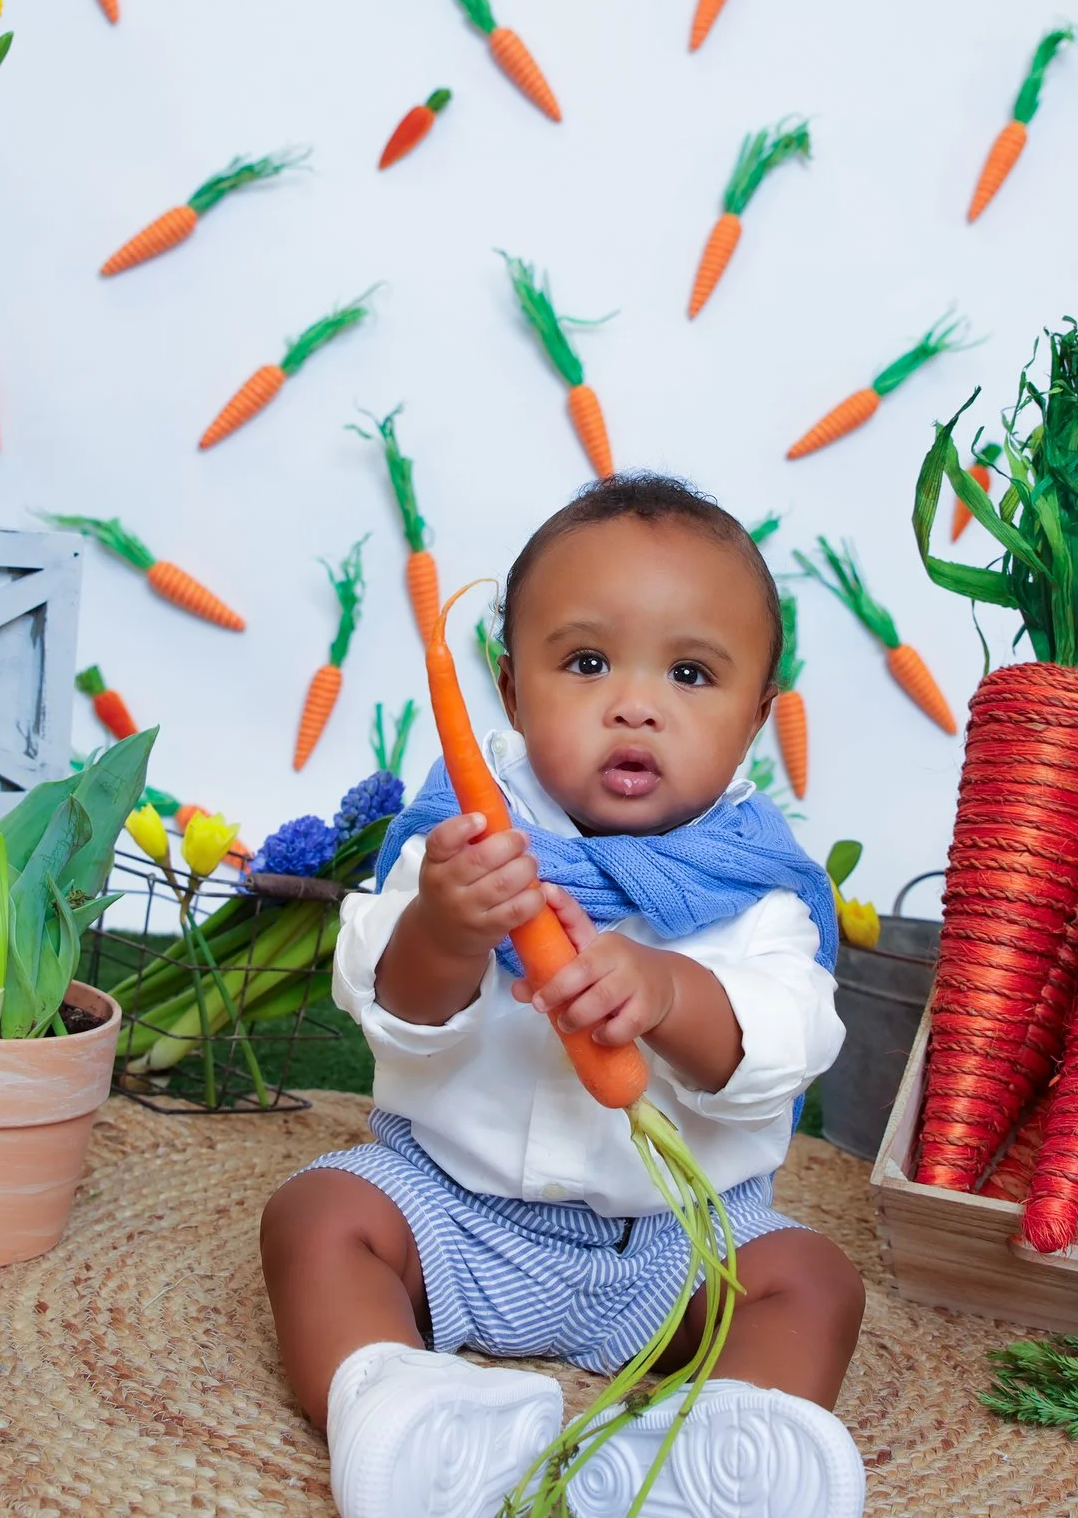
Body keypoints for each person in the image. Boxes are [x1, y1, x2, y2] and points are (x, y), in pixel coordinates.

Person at [262, 473, 866, 1518]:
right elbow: (390, 1004)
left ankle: (702, 1456)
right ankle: (405, 1408)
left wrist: (669, 992)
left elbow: (788, 1037)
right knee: (316, 1214)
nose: (634, 701)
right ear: (508, 688)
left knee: (812, 1281)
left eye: (690, 671)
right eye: (585, 661)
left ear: (759, 716)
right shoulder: (467, 839)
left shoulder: (757, 886)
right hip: (453, 1211)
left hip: (677, 1244)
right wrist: (448, 924)